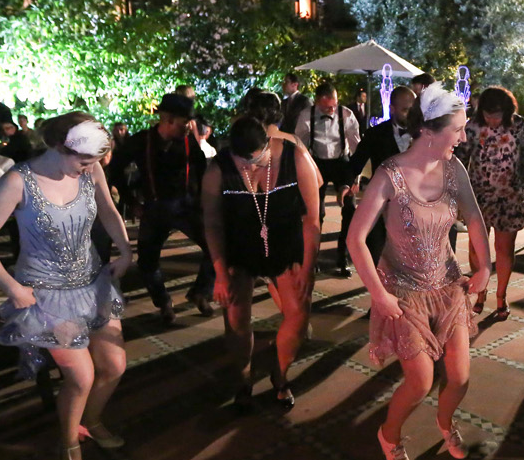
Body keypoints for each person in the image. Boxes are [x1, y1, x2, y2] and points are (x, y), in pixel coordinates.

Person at [0, 113, 131, 460]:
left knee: (114, 366)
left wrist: (125, 250)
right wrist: (12, 287)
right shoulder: (17, 180)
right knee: (81, 377)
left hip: (93, 285)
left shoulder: (90, 170)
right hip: (46, 295)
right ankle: (69, 443)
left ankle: (91, 421)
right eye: (84, 160)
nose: (90, 167)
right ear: (59, 146)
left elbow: (108, 210)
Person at [346, 85, 491, 460]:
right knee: (421, 381)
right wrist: (378, 295)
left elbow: (474, 218)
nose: (463, 138)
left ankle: (445, 422)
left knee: (459, 377)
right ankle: (389, 435)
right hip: (403, 290)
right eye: (457, 130)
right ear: (428, 131)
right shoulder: (389, 174)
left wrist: (485, 267)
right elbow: (355, 239)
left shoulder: (454, 169)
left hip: (447, 284)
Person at [202, 115, 320, 410]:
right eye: (242, 162)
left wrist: (308, 267)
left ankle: (280, 375)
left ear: (268, 144)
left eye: (256, 160)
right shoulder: (218, 168)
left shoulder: (294, 157)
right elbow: (212, 224)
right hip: (240, 248)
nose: (250, 167)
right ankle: (243, 378)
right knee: (235, 319)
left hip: (285, 245)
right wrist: (220, 273)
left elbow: (312, 220)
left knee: (298, 314)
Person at [109, 93, 214, 321]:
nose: (190, 126)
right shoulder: (141, 141)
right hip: (155, 208)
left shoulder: (188, 141)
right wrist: (131, 201)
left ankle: (200, 292)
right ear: (168, 120)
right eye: (185, 122)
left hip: (187, 206)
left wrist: (202, 199)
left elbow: (201, 170)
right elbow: (115, 170)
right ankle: (164, 301)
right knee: (147, 261)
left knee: (216, 249)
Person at [460, 86, 524, 321]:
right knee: (476, 248)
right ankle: (480, 292)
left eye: (497, 115)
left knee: (504, 249)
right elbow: (461, 159)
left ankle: (501, 295)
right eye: (488, 114)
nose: (492, 120)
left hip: (508, 196)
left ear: (507, 111)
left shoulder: (518, 125)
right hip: (478, 195)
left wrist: (521, 189)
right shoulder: (472, 126)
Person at [295, 82, 362, 276]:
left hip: (342, 163)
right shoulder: (306, 116)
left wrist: (356, 178)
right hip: (317, 164)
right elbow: (299, 146)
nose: (331, 110)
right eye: (326, 107)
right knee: (315, 213)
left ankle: (343, 257)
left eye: (334, 106)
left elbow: (357, 147)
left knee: (350, 209)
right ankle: (312, 257)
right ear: (317, 102)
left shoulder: (346, 115)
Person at [350, 85, 415, 262]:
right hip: (382, 204)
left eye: (413, 110)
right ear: (392, 109)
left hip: (415, 206)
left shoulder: (424, 135)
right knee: (376, 253)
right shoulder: (375, 134)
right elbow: (356, 163)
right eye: (405, 110)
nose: (411, 115)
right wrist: (346, 183)